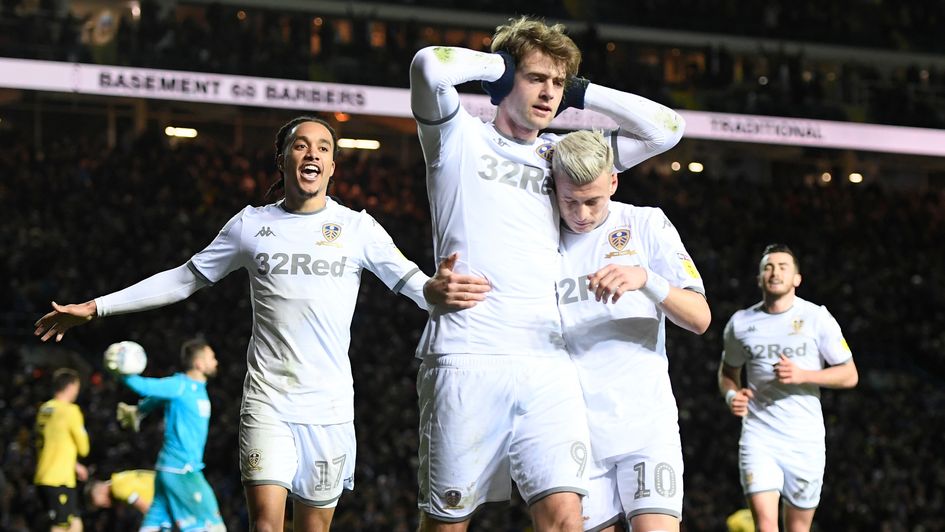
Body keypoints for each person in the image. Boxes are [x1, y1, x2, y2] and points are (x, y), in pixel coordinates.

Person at [33, 115, 489, 532]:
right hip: (267, 401)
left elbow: (413, 282)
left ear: (333, 166)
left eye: (324, 148)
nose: (312, 153)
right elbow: (183, 279)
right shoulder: (250, 225)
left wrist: (436, 289)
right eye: (301, 145)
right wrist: (96, 307)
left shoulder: (358, 228)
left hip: (329, 409)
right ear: (283, 158)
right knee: (266, 527)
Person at [409, 15, 685, 531]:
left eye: (558, 83)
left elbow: (667, 129)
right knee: (448, 522)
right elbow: (429, 66)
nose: (549, 93)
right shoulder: (457, 138)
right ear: (504, 77)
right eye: (536, 78)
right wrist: (500, 65)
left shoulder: (560, 158)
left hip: (547, 363)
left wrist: (583, 91)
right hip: (469, 352)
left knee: (564, 520)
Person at [552, 130, 709, 532]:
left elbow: (699, 318)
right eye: (570, 200)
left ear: (613, 182)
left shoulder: (645, 223)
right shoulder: (538, 238)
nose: (581, 214)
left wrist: (647, 279)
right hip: (573, 432)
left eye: (593, 201)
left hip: (646, 426)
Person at [718, 244, 859, 532]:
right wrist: (732, 394)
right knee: (766, 526)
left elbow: (849, 374)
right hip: (759, 436)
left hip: (804, 439)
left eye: (783, 266)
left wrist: (803, 375)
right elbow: (728, 372)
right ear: (759, 279)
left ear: (797, 278)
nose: (775, 272)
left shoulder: (816, 317)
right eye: (768, 267)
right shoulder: (741, 323)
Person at [111, 338, 225, 531]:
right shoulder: (180, 385)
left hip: (169, 470)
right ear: (199, 363)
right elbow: (145, 387)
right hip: (182, 469)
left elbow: (155, 399)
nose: (216, 361)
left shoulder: (195, 389)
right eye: (211, 357)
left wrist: (139, 411)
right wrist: (122, 371)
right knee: (212, 526)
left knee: (154, 526)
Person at [34, 368, 90, 532]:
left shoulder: (45, 409)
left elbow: (53, 443)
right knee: (61, 526)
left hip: (45, 475)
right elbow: (84, 448)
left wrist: (74, 465)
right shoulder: (70, 411)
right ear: (72, 386)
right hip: (58, 479)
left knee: (75, 524)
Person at [86, 469, 155, 514]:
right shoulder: (118, 478)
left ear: (101, 490)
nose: (106, 505)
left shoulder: (118, 490)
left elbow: (147, 510)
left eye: (103, 503)